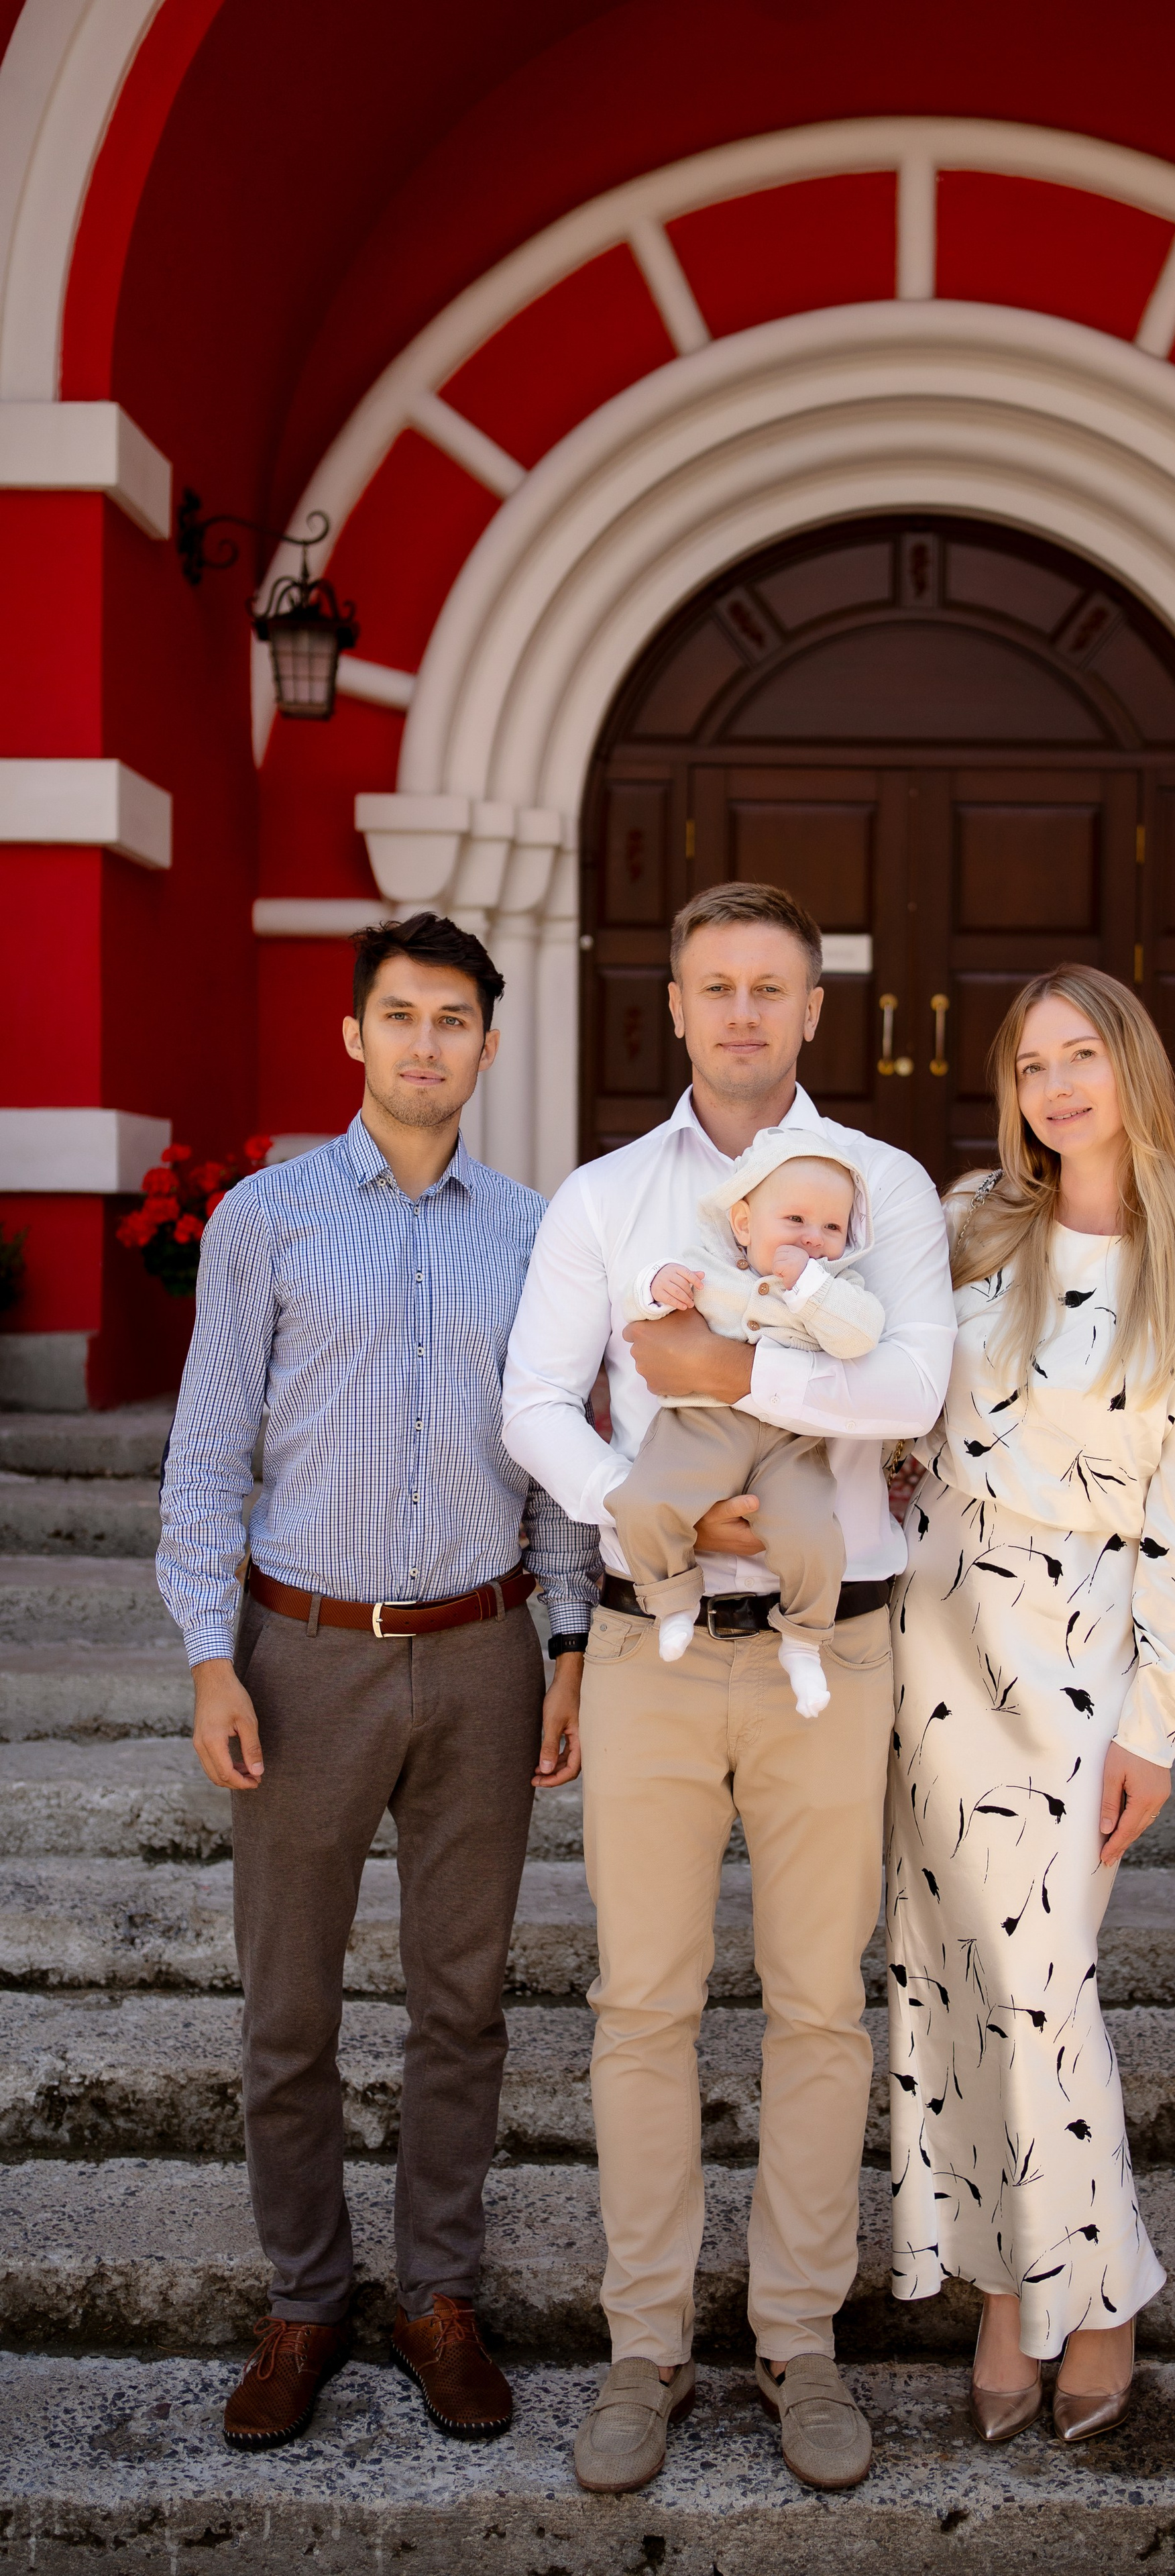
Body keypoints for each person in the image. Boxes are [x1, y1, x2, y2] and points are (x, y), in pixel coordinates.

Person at [502, 881, 954, 2496]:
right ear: (674, 1007)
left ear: (812, 1010)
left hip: (834, 1652)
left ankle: (798, 2338)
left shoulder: (883, 1185)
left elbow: (913, 1377)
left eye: (773, 986)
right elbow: (535, 1403)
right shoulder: (608, 1197)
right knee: (640, 2003)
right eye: (716, 986)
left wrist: (725, 1376)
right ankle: (642, 2347)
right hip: (652, 1642)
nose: (745, 1011)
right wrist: (680, 1503)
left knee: (822, 2005)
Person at [157, 912, 597, 2453]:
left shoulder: (538, 1232)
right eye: (398, 1015)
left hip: (479, 1655)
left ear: (487, 1041)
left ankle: (436, 2295)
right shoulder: (268, 1221)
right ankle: (306, 2296)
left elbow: (557, 1465)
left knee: (458, 2001)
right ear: (355, 1035)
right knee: (289, 2003)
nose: (424, 1042)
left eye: (453, 1018)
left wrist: (565, 1644)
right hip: (302, 1654)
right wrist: (213, 1653)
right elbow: (208, 1457)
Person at [887, 965, 1175, 2443]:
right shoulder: (972, 1225)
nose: (1054, 1088)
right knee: (949, 1972)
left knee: (1043, 1978)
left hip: (1084, 1644)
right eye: (1030, 1064)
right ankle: (1002, 2286)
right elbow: (887, 1388)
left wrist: (1157, 1717)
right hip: (934, 1624)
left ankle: (1094, 2299)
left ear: (1131, 1071)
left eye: (1079, 1057)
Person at [612, 1128, 885, 1715]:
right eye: (795, 1220)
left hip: (790, 1440)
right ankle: (672, 1600)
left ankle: (805, 1643)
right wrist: (656, 1288)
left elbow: (860, 1336)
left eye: (832, 1228)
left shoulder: (840, 1289)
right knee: (642, 1501)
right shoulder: (707, 1267)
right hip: (699, 1426)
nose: (813, 1239)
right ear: (743, 1225)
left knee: (813, 1535)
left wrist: (810, 1284)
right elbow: (637, 1305)